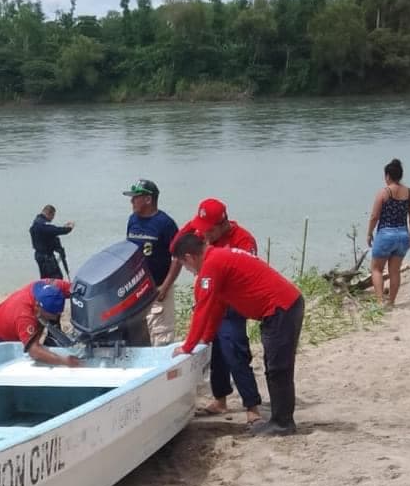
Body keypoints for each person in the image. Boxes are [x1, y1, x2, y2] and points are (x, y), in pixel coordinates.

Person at [172, 231, 304, 438]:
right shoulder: (218, 258)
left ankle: (283, 423)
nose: (188, 270)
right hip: (280, 309)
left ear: (189, 257)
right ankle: (279, 420)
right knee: (274, 367)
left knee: (279, 369)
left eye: (185, 265)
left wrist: (188, 346)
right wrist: (205, 338)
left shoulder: (212, 263)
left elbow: (202, 308)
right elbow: (217, 306)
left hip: (281, 308)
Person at [184, 197, 263, 423]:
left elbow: (249, 274)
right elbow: (180, 240)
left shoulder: (243, 240)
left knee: (235, 352)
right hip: (211, 302)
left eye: (208, 231)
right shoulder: (206, 237)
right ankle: (220, 399)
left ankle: (252, 407)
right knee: (215, 353)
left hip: (231, 305)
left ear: (222, 224)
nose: (204, 236)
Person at [123, 178, 180, 345]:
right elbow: (128, 250)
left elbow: (178, 257)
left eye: (135, 197)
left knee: (160, 335)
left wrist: (166, 286)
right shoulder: (132, 220)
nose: (131, 201)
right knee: (137, 334)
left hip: (158, 287)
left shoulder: (165, 224)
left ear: (148, 199)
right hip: (137, 287)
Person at [0, 278, 82, 367]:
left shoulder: (51, 286)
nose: (53, 318)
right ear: (37, 306)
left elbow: (79, 290)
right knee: (15, 364)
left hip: (12, 317)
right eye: (49, 316)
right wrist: (65, 361)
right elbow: (34, 352)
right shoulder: (25, 317)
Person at [367, 158, 410, 307]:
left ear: (388, 176)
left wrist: (369, 233)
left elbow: (374, 216)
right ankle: (391, 303)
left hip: (385, 234)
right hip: (403, 235)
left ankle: (380, 301)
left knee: (376, 269)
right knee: (395, 271)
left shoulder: (384, 193)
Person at [29, 204, 74, 278]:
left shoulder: (36, 222)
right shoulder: (43, 224)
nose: (52, 218)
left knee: (45, 278)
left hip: (39, 255)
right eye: (53, 216)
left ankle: (45, 288)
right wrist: (69, 228)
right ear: (49, 214)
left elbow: (50, 231)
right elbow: (55, 230)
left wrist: (63, 228)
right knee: (56, 278)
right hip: (46, 257)